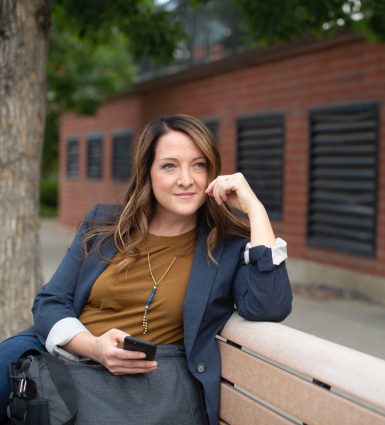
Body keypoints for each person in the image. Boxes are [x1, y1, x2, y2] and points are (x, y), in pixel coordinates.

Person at [0, 114, 293, 424]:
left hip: (145, 390)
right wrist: (94, 347)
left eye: (198, 165)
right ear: (147, 172)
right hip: (67, 360)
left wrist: (255, 210)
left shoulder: (227, 245)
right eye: (169, 166)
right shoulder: (104, 224)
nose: (186, 179)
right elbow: (50, 301)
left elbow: (270, 306)